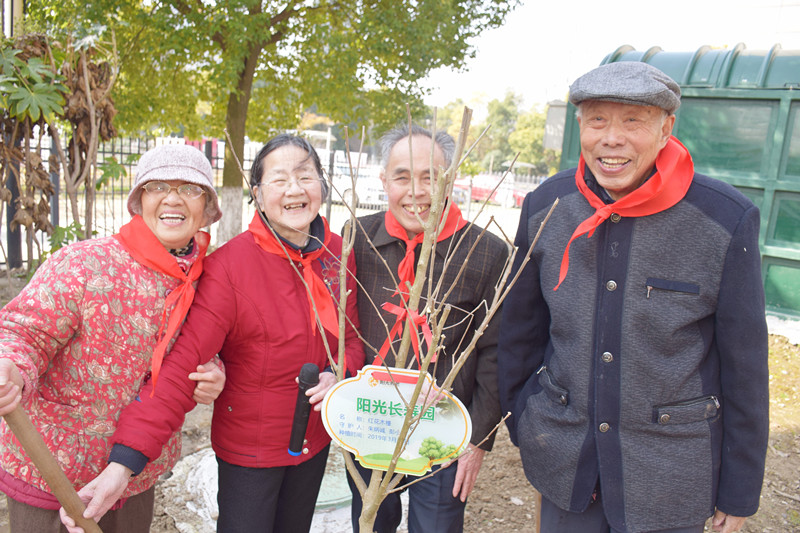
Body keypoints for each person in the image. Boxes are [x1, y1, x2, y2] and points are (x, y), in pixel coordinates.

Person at [497, 61, 769, 533]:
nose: (612, 139)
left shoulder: (724, 220)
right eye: (597, 120)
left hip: (669, 478)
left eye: (632, 122)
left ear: (666, 129)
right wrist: (523, 418)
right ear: (579, 125)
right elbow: (519, 331)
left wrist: (739, 489)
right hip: (565, 463)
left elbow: (745, 366)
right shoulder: (547, 206)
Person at [64, 133, 366, 533]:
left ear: (322, 187)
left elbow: (352, 340)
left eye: (305, 176)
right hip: (250, 452)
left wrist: (338, 375)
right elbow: (181, 364)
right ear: (258, 194)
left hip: (313, 441)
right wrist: (125, 462)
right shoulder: (229, 267)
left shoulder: (338, 254)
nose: (294, 189)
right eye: (279, 179)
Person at [0, 143, 225, 533]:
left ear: (207, 209)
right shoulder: (85, 263)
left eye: (190, 189)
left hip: (136, 475)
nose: (173, 198)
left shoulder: (209, 281)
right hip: (53, 472)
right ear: (139, 201)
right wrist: (11, 367)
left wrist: (213, 372)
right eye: (158, 187)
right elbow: (25, 332)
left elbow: (201, 348)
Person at [345, 124, 510, 533]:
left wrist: (478, 438)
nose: (416, 192)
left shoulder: (486, 252)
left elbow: (496, 353)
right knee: (370, 522)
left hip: (445, 431)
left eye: (430, 178)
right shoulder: (356, 238)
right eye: (402, 177)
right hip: (372, 421)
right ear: (384, 180)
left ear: (450, 180)